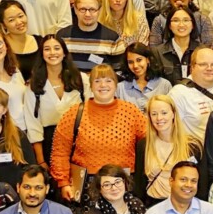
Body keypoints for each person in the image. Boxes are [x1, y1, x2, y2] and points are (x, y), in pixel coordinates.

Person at [50, 64, 146, 202]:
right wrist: (63, 182)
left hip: (123, 184)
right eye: (97, 81)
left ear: (116, 84)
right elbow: (59, 152)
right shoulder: (74, 113)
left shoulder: (131, 112)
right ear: (90, 86)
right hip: (86, 186)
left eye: (108, 80)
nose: (103, 85)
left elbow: (151, 141)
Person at [25, 35, 90, 169]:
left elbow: (91, 112)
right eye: (47, 49)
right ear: (42, 54)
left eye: (56, 48)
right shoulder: (34, 85)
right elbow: (33, 125)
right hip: (49, 143)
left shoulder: (80, 79)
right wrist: (41, 161)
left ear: (64, 52)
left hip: (80, 141)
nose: (52, 53)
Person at [131, 95, 204, 206]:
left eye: (164, 113)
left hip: (183, 205)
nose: (159, 118)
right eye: (154, 114)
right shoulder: (144, 145)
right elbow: (139, 183)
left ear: (173, 114)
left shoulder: (192, 146)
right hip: (153, 204)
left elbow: (202, 183)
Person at [168, 46, 213, 142]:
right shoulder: (178, 93)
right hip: (198, 149)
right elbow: (171, 131)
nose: (209, 68)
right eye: (203, 64)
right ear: (192, 67)